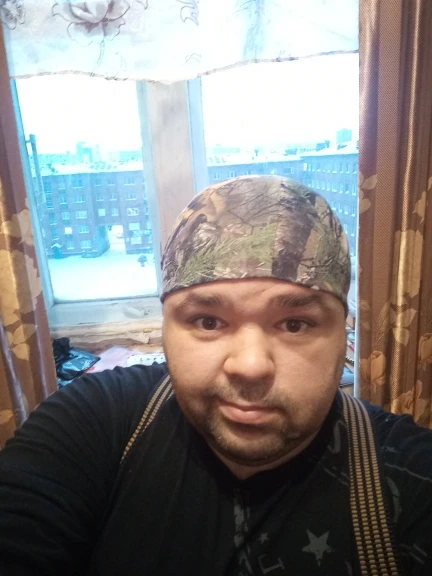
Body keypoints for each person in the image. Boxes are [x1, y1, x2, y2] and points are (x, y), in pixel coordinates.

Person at [1, 176, 432, 575]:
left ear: (344, 334)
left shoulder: (408, 476)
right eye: (208, 321)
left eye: (295, 324)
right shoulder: (94, 422)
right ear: (166, 330)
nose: (250, 366)